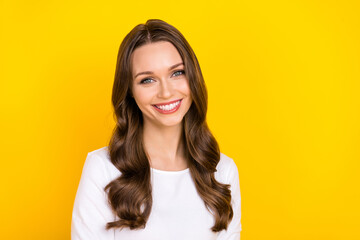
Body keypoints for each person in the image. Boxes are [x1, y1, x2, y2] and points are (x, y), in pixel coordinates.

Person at [71, 19, 242, 240]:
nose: (166, 92)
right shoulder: (103, 169)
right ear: (130, 91)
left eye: (177, 73)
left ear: (193, 77)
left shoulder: (222, 171)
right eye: (148, 80)